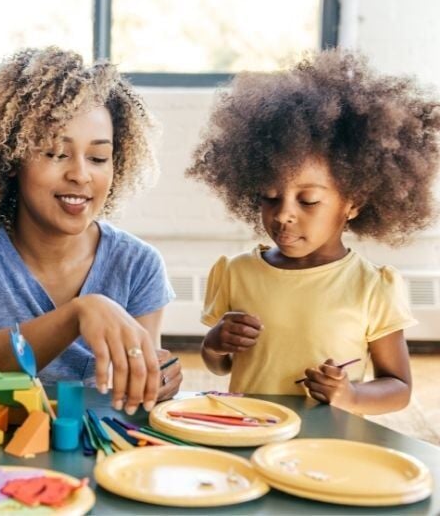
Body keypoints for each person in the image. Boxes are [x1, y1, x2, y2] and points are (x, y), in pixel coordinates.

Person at [0, 47, 182, 416]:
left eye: (99, 158)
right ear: (11, 157)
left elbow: (133, 392)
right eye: (57, 153)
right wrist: (79, 313)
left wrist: (154, 376)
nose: (81, 174)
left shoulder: (139, 265)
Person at [187, 49, 440, 414]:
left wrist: (350, 396)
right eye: (270, 197)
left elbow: (397, 387)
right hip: (252, 428)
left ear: (352, 202)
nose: (284, 214)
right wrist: (214, 345)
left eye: (308, 201)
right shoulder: (235, 272)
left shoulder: (373, 286)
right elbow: (220, 365)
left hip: (327, 443)